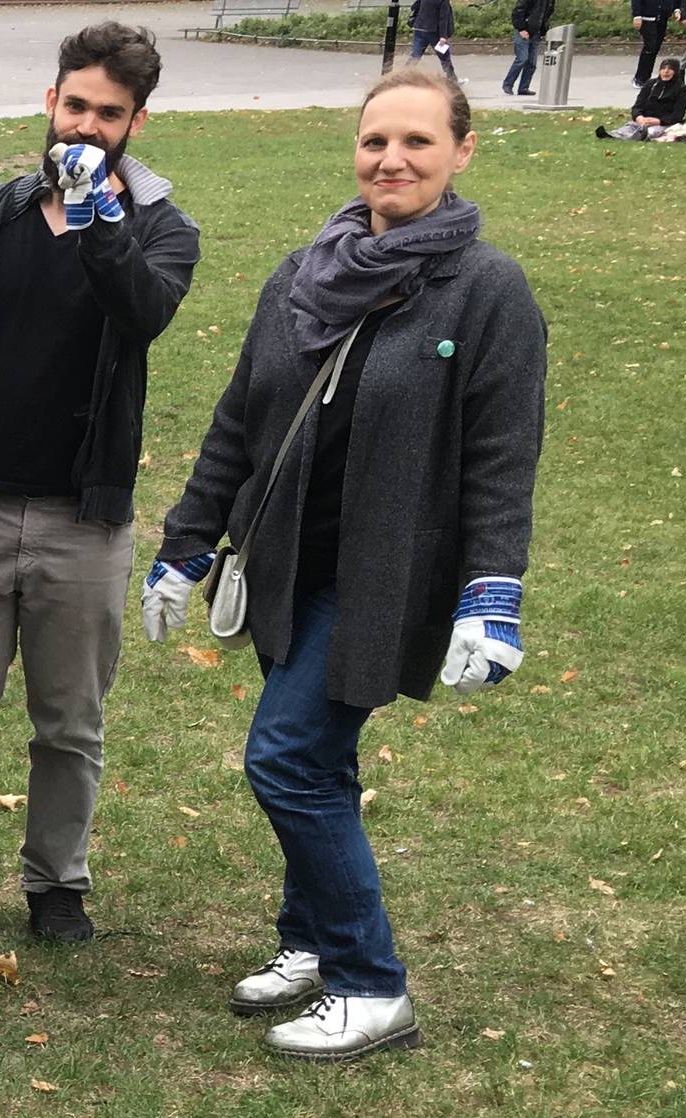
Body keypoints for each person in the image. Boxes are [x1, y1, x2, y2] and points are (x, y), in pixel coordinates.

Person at [143, 70, 544, 1063]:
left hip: (380, 578)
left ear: (460, 150)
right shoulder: (304, 270)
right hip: (286, 565)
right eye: (374, 141)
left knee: (283, 758)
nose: (390, 161)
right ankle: (309, 941)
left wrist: (491, 596)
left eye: (414, 141)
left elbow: (500, 456)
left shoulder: (484, 290)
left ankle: (371, 987)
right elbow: (239, 419)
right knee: (314, 756)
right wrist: (184, 545)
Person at [0, 22, 200, 944]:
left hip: (83, 520)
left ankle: (57, 880)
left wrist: (101, 220)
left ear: (136, 122)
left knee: (70, 721)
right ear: (48, 102)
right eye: (75, 106)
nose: (86, 128)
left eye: (108, 114)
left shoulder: (161, 231)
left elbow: (142, 313)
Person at [599, 57, 686, 138]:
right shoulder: (650, 84)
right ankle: (613, 135)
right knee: (630, 126)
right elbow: (637, 106)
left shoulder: (681, 89)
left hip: (663, 123)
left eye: (670, 69)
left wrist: (658, 121)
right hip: (644, 119)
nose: (666, 71)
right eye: (663, 68)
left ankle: (636, 136)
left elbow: (678, 114)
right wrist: (639, 117)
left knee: (652, 132)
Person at [502, 0, 554, 96]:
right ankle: (508, 84)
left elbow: (547, 15)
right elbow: (517, 11)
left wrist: (544, 30)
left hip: (536, 32)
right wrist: (521, 28)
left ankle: (523, 88)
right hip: (524, 30)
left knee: (531, 63)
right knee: (522, 59)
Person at [408, 0, 456, 81]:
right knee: (445, 57)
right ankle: (453, 79)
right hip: (434, 32)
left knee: (415, 56)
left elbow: (414, 7)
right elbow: (443, 18)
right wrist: (443, 36)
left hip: (419, 28)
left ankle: (402, 76)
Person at [631, 0, 676, 87]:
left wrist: (675, 9)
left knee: (655, 48)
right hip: (647, 18)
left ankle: (647, 77)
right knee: (650, 47)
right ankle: (640, 78)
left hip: (662, 17)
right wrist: (637, 15)